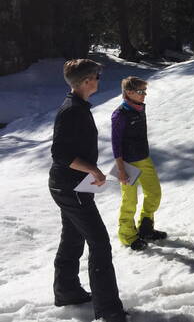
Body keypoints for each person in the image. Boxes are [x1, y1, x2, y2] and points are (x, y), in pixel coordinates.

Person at [49, 59, 127, 322]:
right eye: (96, 76)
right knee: (100, 243)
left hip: (68, 185)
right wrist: (92, 170)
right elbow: (60, 153)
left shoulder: (78, 107)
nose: (98, 80)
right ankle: (108, 311)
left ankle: (67, 290)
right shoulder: (72, 110)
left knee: (73, 238)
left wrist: (91, 169)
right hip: (71, 188)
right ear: (85, 81)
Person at [111, 76, 166, 252]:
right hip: (127, 163)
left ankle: (146, 228)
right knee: (130, 200)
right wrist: (120, 168)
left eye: (145, 91)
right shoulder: (120, 114)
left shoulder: (139, 108)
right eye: (140, 92)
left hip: (144, 158)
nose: (144, 95)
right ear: (128, 93)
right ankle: (127, 236)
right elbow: (116, 143)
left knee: (154, 193)